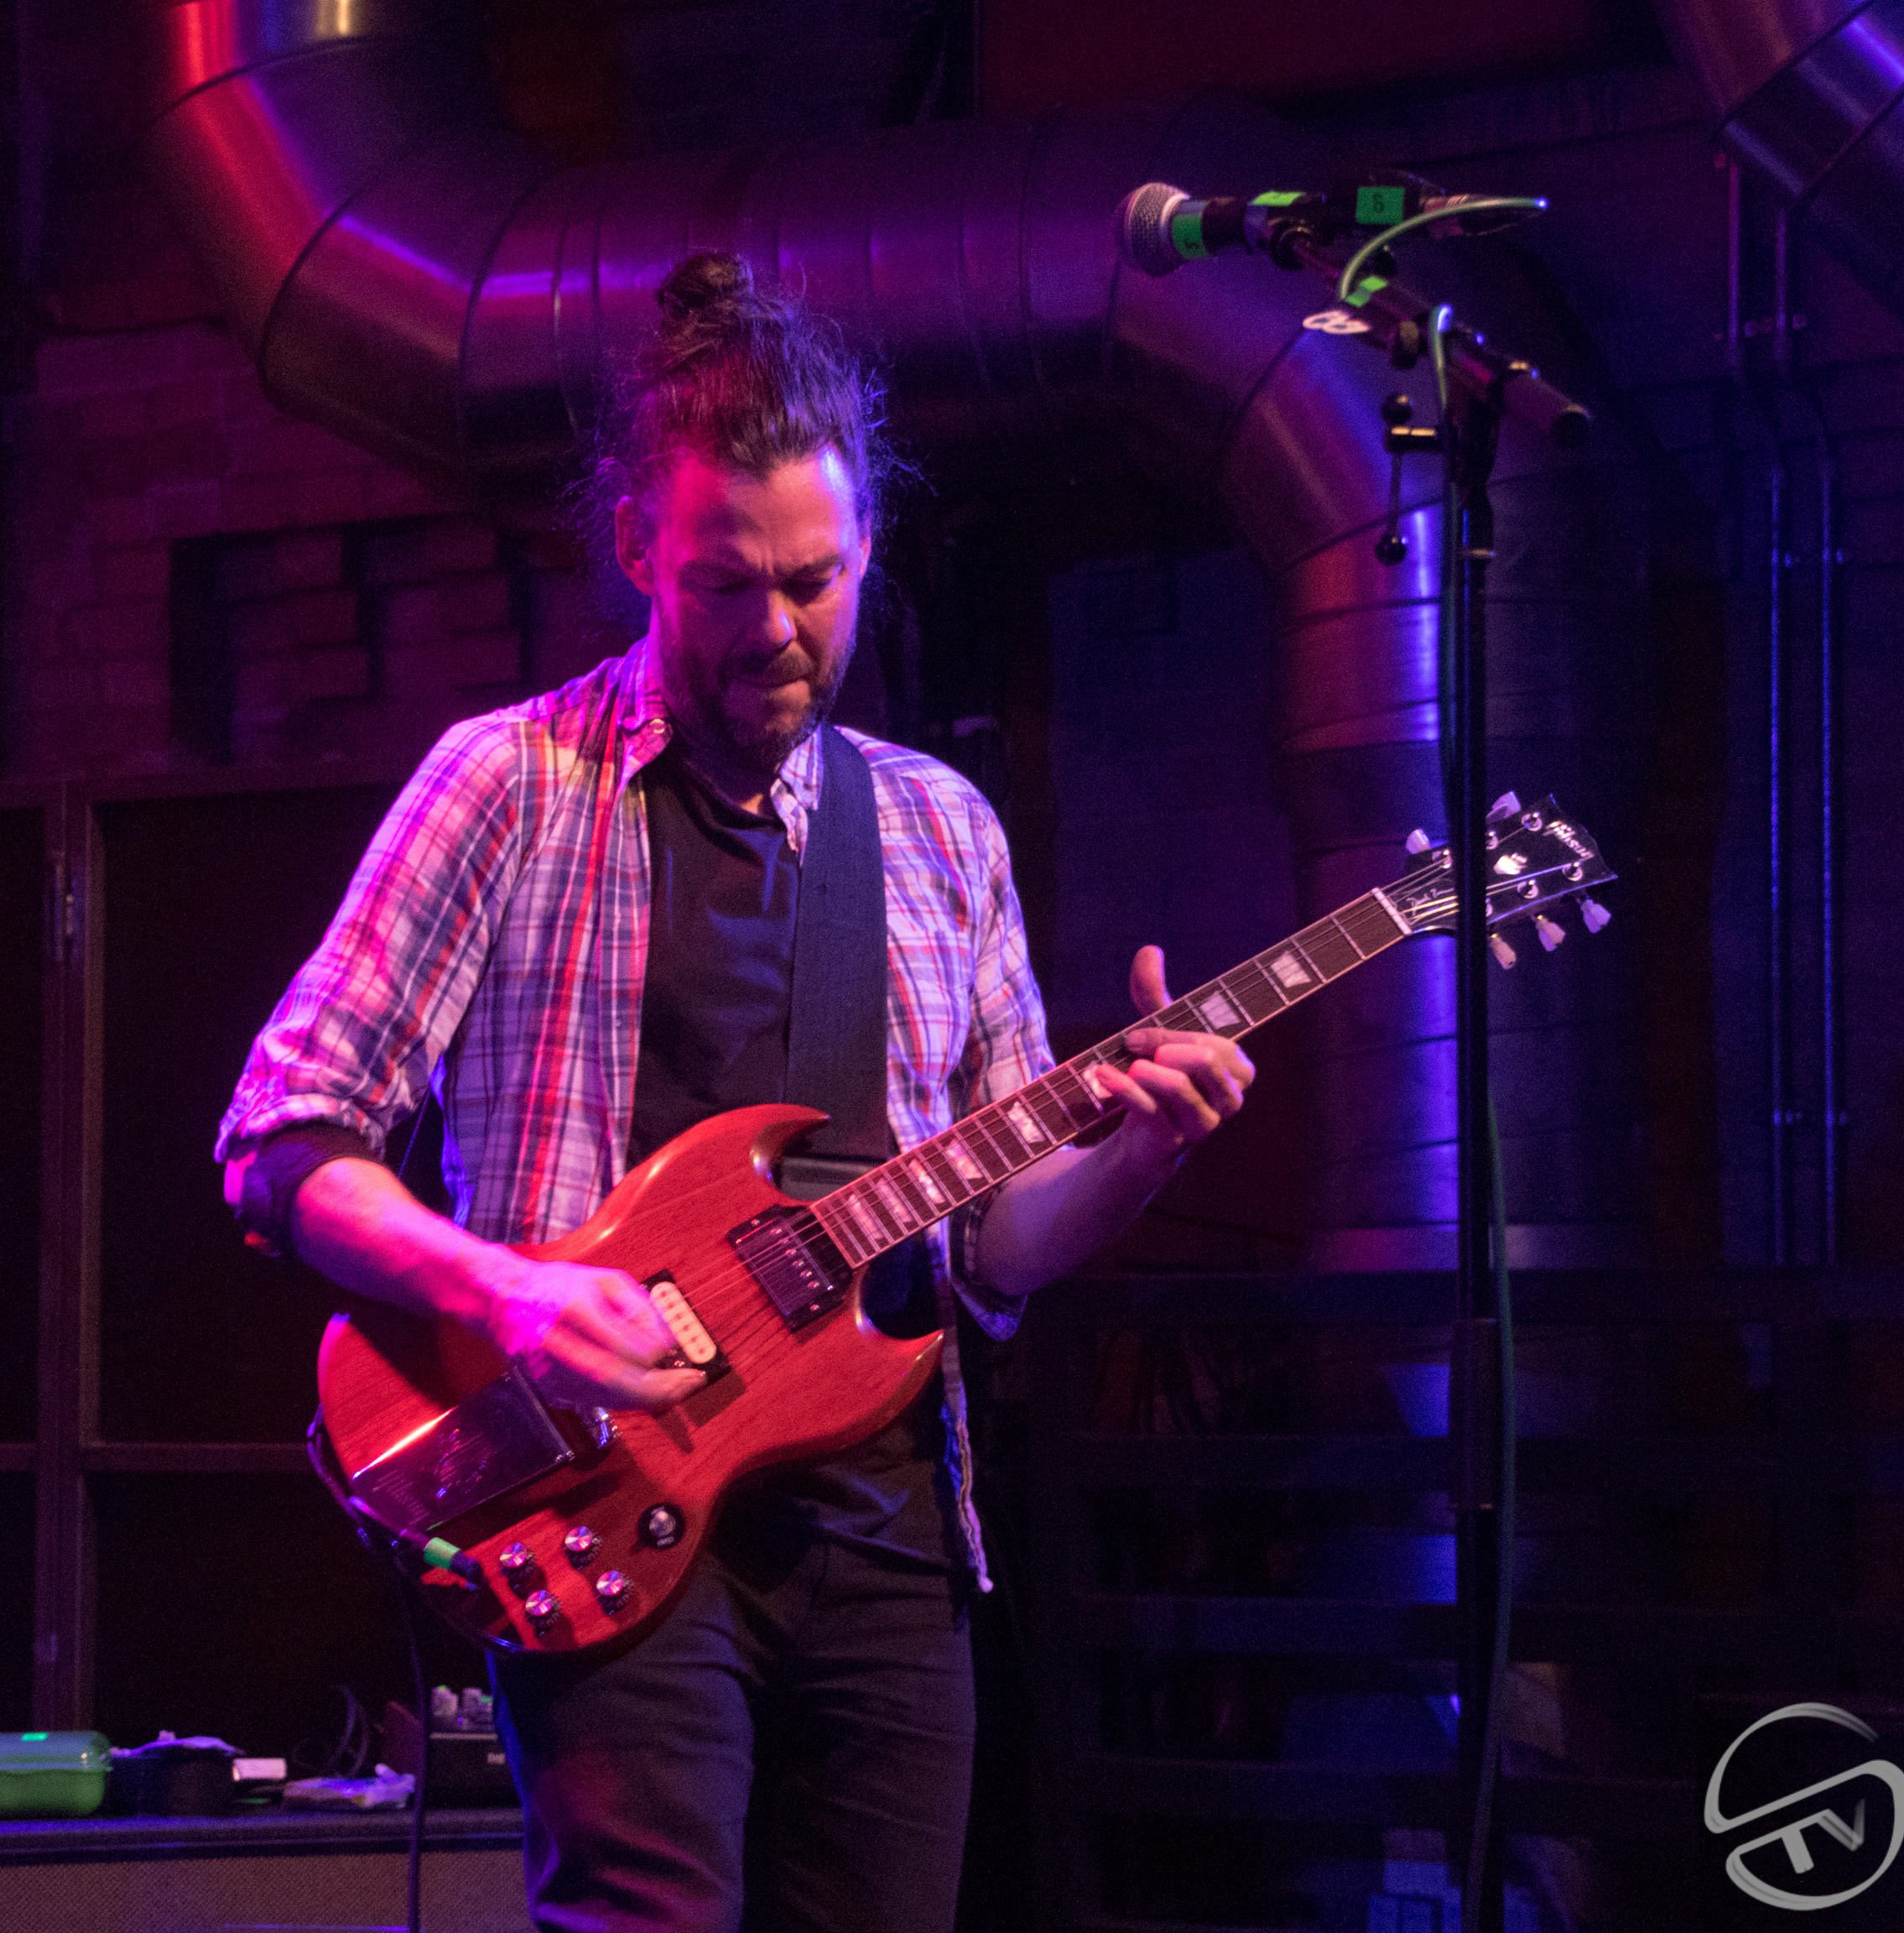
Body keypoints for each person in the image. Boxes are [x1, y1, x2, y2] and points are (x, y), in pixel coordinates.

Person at [216, 253, 1254, 1933]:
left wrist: (1136, 1154)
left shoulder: (942, 831)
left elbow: (994, 1249)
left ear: (869, 547)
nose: (777, 630)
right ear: (640, 545)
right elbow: (280, 1139)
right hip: (605, 1504)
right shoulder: (508, 786)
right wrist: (513, 1293)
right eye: (726, 582)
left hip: (889, 1531)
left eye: (816, 582)